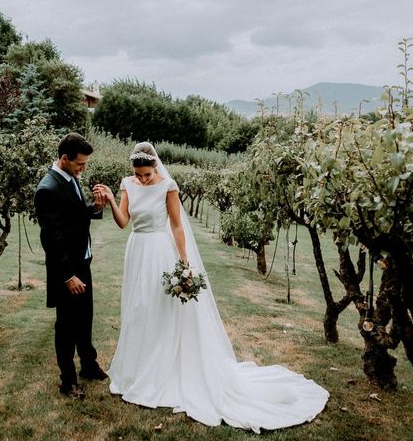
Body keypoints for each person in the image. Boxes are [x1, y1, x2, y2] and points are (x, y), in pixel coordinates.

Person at [92, 142, 329, 432]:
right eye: (138, 175)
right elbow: (123, 222)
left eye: (146, 175)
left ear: (155, 167)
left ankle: (165, 367)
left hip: (161, 252)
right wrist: (112, 202)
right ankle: (139, 368)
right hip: (137, 251)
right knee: (138, 309)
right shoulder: (127, 183)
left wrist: (184, 263)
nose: (142, 179)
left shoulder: (168, 185)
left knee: (160, 309)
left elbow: (177, 226)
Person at [34, 133, 109, 400]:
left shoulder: (70, 178)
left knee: (85, 319)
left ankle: (88, 365)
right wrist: (68, 276)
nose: (83, 168)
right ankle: (68, 381)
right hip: (67, 271)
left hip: (82, 262)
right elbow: (51, 239)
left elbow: (73, 217)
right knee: (66, 326)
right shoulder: (48, 189)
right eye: (80, 163)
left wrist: (96, 207)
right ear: (64, 158)